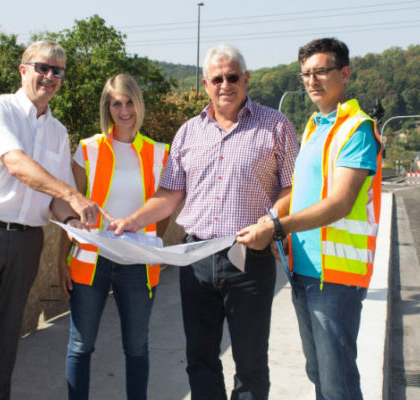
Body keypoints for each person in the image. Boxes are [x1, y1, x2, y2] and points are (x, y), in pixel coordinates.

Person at [110, 44, 298, 399]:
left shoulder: (276, 125)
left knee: (250, 363)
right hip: (195, 258)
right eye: (217, 79)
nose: (225, 85)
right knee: (199, 358)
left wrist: (270, 224)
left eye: (231, 77)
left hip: (249, 257)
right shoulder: (188, 132)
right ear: (205, 84)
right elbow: (168, 195)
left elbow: (292, 188)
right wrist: (131, 221)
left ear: (245, 78)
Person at [0, 40, 106, 400]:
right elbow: (16, 164)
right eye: (43, 67)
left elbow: (57, 200)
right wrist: (73, 195)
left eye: (58, 71)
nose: (50, 76)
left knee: (5, 344)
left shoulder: (57, 131)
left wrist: (75, 221)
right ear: (23, 70)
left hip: (27, 241)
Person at [236, 38, 383, 400]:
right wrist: (272, 225)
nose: (311, 80)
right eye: (305, 74)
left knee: (337, 382)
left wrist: (277, 227)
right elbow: (301, 193)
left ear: (344, 74)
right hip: (303, 269)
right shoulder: (316, 127)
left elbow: (340, 203)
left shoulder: (357, 129)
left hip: (335, 275)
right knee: (318, 372)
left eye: (320, 71)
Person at [58, 73, 169, 400]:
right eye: (116, 103)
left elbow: (163, 211)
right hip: (90, 261)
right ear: (107, 108)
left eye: (129, 101)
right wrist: (60, 261)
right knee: (80, 345)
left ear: (139, 103)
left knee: (137, 348)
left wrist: (148, 246)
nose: (123, 110)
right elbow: (70, 204)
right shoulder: (87, 149)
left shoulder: (159, 153)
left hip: (137, 263)